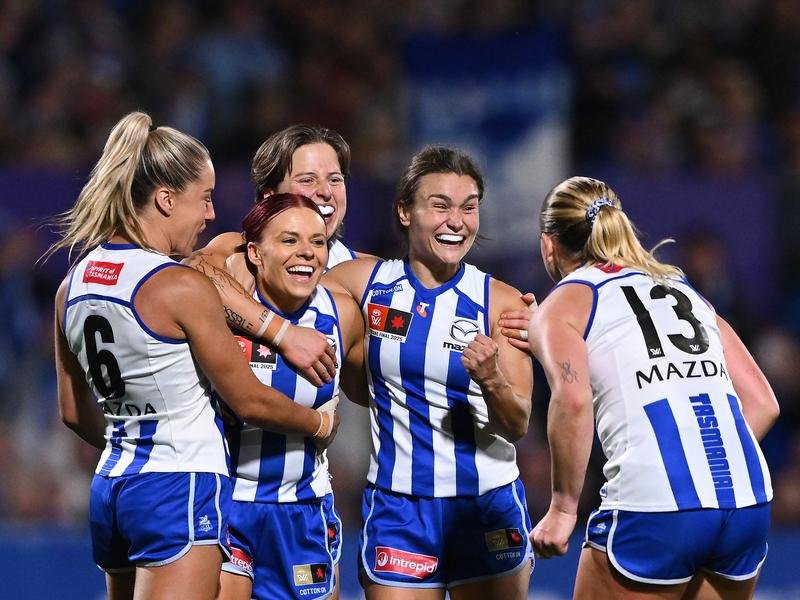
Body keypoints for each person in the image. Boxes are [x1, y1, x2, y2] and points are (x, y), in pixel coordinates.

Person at [49, 112, 339, 600]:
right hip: (179, 487)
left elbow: (74, 412)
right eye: (203, 198)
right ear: (165, 199)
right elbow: (248, 400)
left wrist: (136, 450)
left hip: (113, 486)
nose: (209, 215)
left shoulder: (70, 285)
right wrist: (320, 425)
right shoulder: (179, 286)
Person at [528, 176, 779, 599]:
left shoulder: (563, 303)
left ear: (548, 245)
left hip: (655, 502)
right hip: (745, 495)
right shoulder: (684, 290)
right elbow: (763, 402)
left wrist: (562, 508)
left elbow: (572, 400)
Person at [323, 145, 535, 599]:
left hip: (485, 505)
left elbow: (517, 423)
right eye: (440, 206)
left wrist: (492, 378)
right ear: (404, 211)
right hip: (399, 508)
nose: (456, 221)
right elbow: (272, 273)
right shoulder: (364, 282)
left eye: (468, 207)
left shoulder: (503, 303)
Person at [217, 193, 367, 600]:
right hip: (225, 506)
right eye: (289, 240)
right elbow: (194, 267)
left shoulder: (344, 314)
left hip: (303, 512)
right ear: (255, 252)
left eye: (318, 242)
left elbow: (384, 383)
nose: (306, 253)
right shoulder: (216, 310)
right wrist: (321, 424)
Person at [184, 124, 364, 387]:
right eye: (308, 180)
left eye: (335, 179)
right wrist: (285, 334)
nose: (326, 191)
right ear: (269, 197)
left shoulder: (367, 276)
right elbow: (195, 270)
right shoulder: (242, 253)